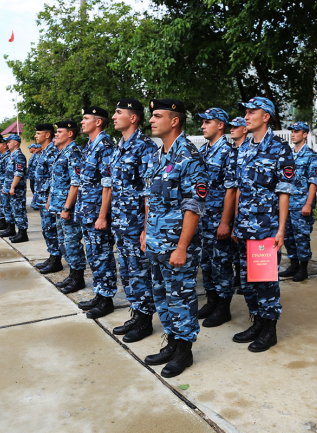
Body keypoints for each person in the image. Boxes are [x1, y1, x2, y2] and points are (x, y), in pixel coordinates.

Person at [141, 98, 208, 378]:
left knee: (181, 298)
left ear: (175, 120)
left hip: (177, 246)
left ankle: (184, 351)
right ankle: (171, 342)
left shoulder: (189, 156)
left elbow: (194, 206)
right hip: (156, 242)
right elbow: (150, 198)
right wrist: (146, 231)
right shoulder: (158, 155)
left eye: (157, 116)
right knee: (162, 296)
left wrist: (181, 247)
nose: (151, 120)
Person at [232, 96, 295, 352]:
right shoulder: (244, 147)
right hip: (244, 227)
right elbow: (239, 189)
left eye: (252, 112)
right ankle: (257, 322)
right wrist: (235, 223)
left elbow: (284, 192)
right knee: (247, 280)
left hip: (266, 228)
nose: (246, 116)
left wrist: (280, 230)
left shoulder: (280, 149)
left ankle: (270, 330)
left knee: (265, 281)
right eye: (245, 112)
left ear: (266, 116)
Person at [108, 98, 157, 343]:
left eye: (119, 112)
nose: (114, 117)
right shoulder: (120, 146)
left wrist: (146, 228)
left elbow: (149, 192)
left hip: (136, 224)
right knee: (127, 273)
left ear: (133, 117)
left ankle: (145, 320)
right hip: (121, 223)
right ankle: (136, 314)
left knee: (140, 273)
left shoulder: (145, 147)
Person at [195, 108, 238, 328]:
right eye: (202, 122)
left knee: (221, 264)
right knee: (206, 262)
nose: (203, 126)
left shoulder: (228, 152)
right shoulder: (203, 151)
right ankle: (211, 301)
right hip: (202, 220)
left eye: (207, 122)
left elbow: (231, 190)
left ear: (220, 125)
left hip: (217, 220)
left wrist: (224, 223)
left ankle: (223, 307)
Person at [74, 106, 118, 319]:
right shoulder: (90, 145)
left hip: (97, 215)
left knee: (103, 256)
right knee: (93, 255)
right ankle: (99, 294)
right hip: (87, 212)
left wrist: (102, 216)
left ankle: (107, 299)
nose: (82, 122)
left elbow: (108, 185)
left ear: (98, 122)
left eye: (86, 118)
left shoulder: (105, 146)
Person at [47, 120, 87, 294]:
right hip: (58, 207)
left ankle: (78, 278)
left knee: (72, 243)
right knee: (63, 243)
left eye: (59, 132)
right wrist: (51, 201)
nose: (56, 135)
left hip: (67, 209)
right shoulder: (62, 153)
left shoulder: (74, 153)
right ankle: (72, 275)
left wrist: (67, 208)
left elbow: (75, 183)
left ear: (70, 134)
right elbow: (56, 180)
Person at [279, 121, 317, 282]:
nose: (293, 134)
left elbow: (314, 182)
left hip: (301, 204)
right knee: (288, 236)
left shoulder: (311, 156)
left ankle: (303, 268)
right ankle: (293, 265)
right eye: (292, 131)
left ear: (305, 134)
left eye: (296, 131)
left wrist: (308, 204)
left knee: (301, 237)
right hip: (287, 204)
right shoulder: (287, 155)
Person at [32, 124, 63, 274]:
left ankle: (56, 260)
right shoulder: (44, 152)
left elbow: (54, 178)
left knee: (51, 229)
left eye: (38, 133)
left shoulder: (52, 152)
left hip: (48, 199)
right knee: (46, 229)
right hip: (42, 198)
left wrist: (50, 199)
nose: (35, 136)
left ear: (47, 135)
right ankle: (52, 256)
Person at [228, 117, 249, 293]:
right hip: (229, 205)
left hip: (244, 206)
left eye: (236, 127)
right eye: (231, 126)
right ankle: (239, 276)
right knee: (234, 247)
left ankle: (246, 279)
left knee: (245, 247)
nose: (232, 129)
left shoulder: (249, 150)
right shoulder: (231, 150)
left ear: (245, 130)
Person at [0, 134, 28, 243]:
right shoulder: (12, 155)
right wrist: (6, 186)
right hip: (11, 189)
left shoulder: (19, 156)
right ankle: (14, 230)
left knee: (19, 210)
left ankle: (22, 233)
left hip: (17, 189)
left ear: (16, 143)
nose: (7, 144)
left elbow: (18, 173)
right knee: (13, 210)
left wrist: (12, 187)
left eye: (9, 142)